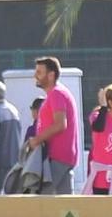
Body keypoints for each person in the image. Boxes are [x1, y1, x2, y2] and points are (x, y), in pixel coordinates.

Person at [25, 56, 79, 192]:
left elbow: (60, 124)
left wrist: (37, 140)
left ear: (51, 75)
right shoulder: (56, 93)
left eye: (39, 72)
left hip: (57, 157)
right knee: (64, 206)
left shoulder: (56, 94)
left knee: (41, 200)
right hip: (62, 157)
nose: (35, 76)